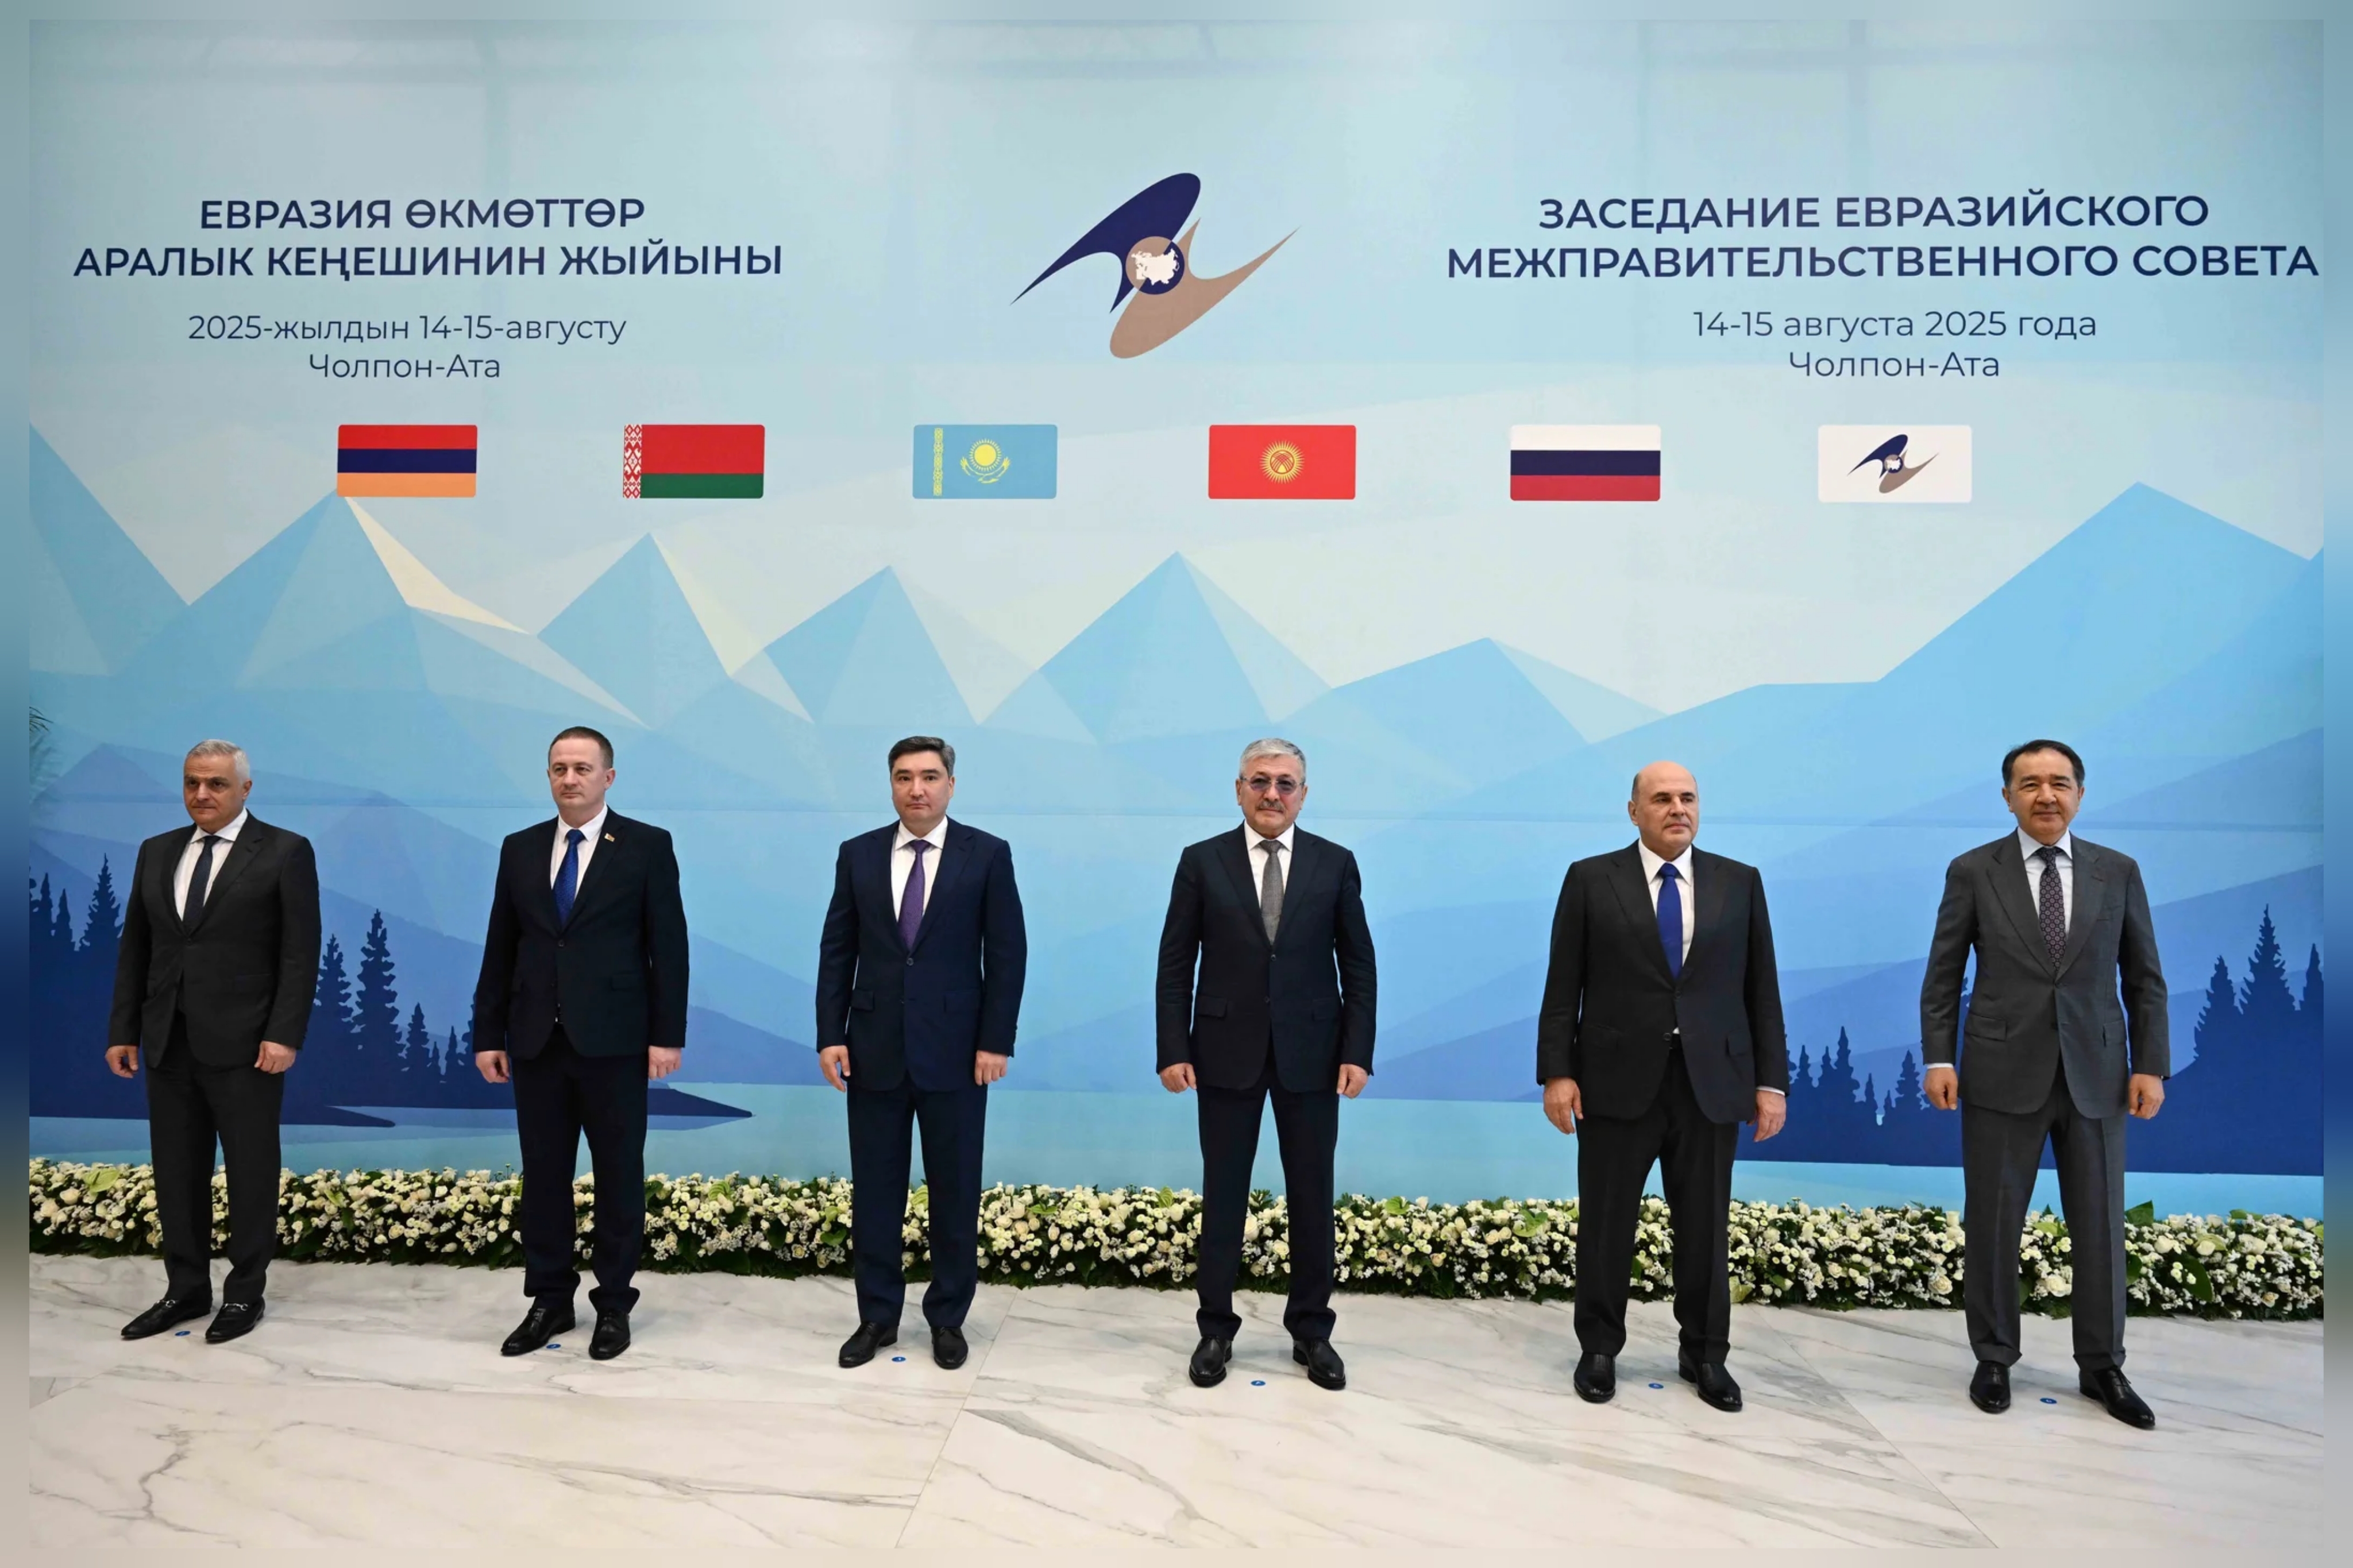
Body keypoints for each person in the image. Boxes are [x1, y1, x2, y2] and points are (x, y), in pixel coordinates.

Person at [1919, 739, 2169, 1428]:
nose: (2045, 795)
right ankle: (1994, 1356)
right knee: (1993, 1221)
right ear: (2007, 798)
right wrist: (1938, 1058)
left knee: (2101, 1225)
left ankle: (2103, 1366)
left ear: (2080, 795)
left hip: (2098, 1075)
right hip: (1999, 1073)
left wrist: (2150, 1064)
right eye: (2029, 784)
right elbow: (1943, 975)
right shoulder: (1974, 871)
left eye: (2059, 783)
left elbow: (2144, 977)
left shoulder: (2117, 872)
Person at [1537, 761, 1788, 1413]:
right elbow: (1563, 985)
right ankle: (1599, 1349)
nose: (1677, 808)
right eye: (1662, 799)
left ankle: (1705, 1353)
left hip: (1712, 1084)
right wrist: (1558, 1072)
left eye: (1688, 798)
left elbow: (1761, 990)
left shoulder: (1740, 881)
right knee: (1606, 1223)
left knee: (1705, 1226)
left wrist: (1771, 1083)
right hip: (1614, 1081)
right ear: (1633, 811)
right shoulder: (1591, 879)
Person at [1156, 738, 1376, 1392]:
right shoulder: (1201, 861)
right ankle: (1215, 1330)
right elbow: (1175, 964)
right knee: (1223, 1196)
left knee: (1312, 1197)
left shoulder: (1335, 863)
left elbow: (1358, 966)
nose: (1271, 793)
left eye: (1285, 783)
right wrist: (1173, 1047)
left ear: (1303, 795)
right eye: (1259, 781)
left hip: (1314, 1056)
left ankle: (1311, 1331)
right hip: (1223, 1055)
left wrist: (1356, 1051)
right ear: (1238, 789)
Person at [472, 727, 689, 1362]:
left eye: (582, 769)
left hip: (617, 1042)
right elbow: (500, 945)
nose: (570, 779)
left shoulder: (646, 845)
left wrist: (666, 1036)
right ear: (548, 776)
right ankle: (549, 1300)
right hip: (536, 1040)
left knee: (619, 1175)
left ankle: (614, 1303)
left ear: (608, 778)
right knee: (544, 1176)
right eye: (559, 768)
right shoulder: (520, 848)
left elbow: (669, 947)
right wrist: (488, 1033)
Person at [816, 736, 1027, 1370]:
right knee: (876, 1192)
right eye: (904, 777)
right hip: (872, 1049)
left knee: (954, 1191)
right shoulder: (858, 854)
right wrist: (830, 1033)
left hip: (959, 1054)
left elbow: (1007, 953)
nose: (917, 789)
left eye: (930, 777)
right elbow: (837, 949)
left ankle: (947, 1318)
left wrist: (995, 1040)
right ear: (891, 785)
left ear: (951, 785)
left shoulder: (986, 854)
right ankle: (877, 1317)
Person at [106, 740, 320, 1345]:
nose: (202, 794)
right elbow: (136, 948)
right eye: (192, 782)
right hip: (166, 1042)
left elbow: (299, 953)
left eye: (217, 784)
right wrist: (123, 1030)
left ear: (245, 789)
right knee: (176, 1172)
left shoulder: (285, 851)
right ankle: (185, 1289)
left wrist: (283, 1034)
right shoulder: (156, 851)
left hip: (248, 1046)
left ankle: (245, 1292)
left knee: (251, 1172)